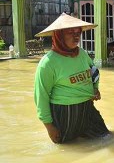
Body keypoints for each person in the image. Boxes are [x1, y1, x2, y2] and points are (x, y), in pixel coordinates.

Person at [34, 13, 109, 144]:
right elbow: (41, 96)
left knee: (107, 138)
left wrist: (95, 89)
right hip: (65, 113)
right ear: (59, 36)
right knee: (67, 149)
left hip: (87, 108)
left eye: (78, 32)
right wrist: (49, 127)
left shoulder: (82, 53)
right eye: (70, 32)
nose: (76, 36)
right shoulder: (48, 63)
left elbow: (94, 72)